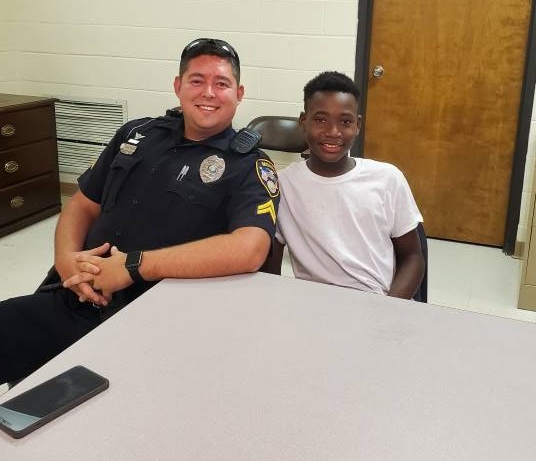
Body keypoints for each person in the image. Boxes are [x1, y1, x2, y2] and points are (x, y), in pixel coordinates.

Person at [0, 38, 280, 384]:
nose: (208, 92)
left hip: (155, 323)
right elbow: (83, 204)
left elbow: (250, 249)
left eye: (221, 83)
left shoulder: (249, 166)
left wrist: (133, 266)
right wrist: (66, 258)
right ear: (178, 87)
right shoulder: (136, 134)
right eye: (196, 80)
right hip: (74, 296)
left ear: (238, 94)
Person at [263, 71, 424, 299]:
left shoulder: (387, 179)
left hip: (375, 302)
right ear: (303, 122)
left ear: (357, 125)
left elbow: (412, 258)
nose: (333, 132)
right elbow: (271, 266)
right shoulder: (282, 186)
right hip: (312, 305)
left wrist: (390, 309)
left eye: (345, 121)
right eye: (320, 119)